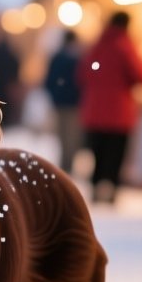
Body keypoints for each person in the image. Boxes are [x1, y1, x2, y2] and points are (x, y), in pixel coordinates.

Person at [78, 12, 142, 204]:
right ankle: (110, 189)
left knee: (98, 153)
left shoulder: (97, 46)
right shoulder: (126, 47)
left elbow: (83, 74)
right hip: (119, 113)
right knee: (115, 155)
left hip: (95, 111)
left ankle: (96, 187)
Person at [43, 30, 84, 175]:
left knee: (62, 135)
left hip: (60, 102)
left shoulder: (57, 57)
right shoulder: (78, 59)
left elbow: (49, 80)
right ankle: (68, 165)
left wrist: (55, 95)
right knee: (71, 135)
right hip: (74, 103)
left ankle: (64, 164)